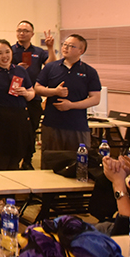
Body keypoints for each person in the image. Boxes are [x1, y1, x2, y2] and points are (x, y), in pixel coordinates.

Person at [35, 34, 101, 168]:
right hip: (52, 124)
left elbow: (95, 98)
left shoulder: (89, 72)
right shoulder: (51, 67)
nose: (66, 48)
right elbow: (37, 88)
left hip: (77, 126)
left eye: (71, 46)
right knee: (50, 164)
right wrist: (54, 92)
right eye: (65, 44)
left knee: (79, 164)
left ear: (81, 51)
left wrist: (71, 105)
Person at [0, 39, 35, 170]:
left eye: (7, 52)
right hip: (0, 120)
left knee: (17, 158)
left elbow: (32, 93)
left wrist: (26, 93)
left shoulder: (20, 70)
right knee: (2, 160)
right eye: (0, 53)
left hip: (20, 119)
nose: (4, 56)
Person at [12, 20, 56, 170]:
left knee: (31, 131)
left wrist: (50, 48)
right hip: (14, 97)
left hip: (33, 98)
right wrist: (16, 69)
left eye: (25, 31)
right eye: (19, 30)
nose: (22, 33)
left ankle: (27, 160)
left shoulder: (38, 51)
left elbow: (51, 65)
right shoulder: (10, 50)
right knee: (15, 132)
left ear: (31, 34)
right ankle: (13, 160)